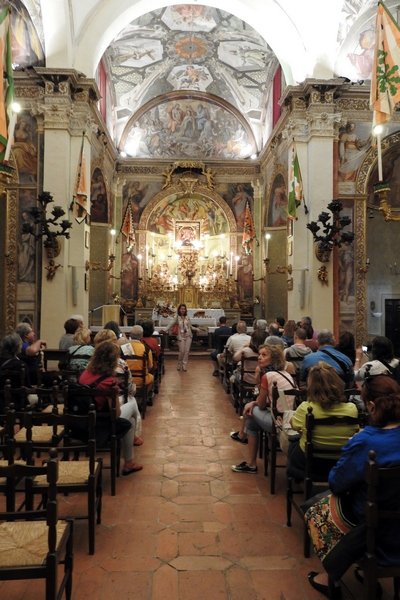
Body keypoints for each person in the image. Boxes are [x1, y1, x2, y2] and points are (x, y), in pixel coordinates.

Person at [304, 374, 400, 598]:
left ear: (371, 406)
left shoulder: (366, 441)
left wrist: (351, 448)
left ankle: (331, 576)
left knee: (318, 505)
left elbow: (337, 482)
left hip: (375, 529)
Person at [79, 340, 143, 474]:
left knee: (130, 421)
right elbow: (116, 414)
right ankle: (129, 460)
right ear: (113, 361)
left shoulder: (85, 374)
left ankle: (129, 462)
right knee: (132, 405)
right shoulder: (109, 382)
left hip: (82, 419)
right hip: (101, 421)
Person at [287, 362, 359, 479]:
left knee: (293, 441)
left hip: (311, 463)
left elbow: (293, 425)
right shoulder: (352, 409)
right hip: (339, 462)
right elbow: (355, 431)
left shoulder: (306, 408)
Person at [231, 344, 296, 471]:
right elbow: (280, 401)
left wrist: (252, 403)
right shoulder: (285, 374)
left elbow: (261, 404)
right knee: (251, 419)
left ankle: (251, 462)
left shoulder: (268, 376)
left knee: (249, 412)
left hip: (278, 423)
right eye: (259, 354)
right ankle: (245, 443)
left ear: (274, 359)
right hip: (289, 419)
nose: (259, 357)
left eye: (264, 355)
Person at [165, 304, 200, 372]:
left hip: (188, 335)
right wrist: (165, 330)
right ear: (179, 310)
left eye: (184, 309)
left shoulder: (187, 317)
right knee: (182, 351)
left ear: (185, 310)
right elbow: (170, 324)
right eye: (181, 309)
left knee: (187, 351)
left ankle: (184, 365)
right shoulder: (177, 317)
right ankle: (179, 363)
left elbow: (190, 326)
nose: (183, 310)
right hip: (181, 336)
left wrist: (197, 329)